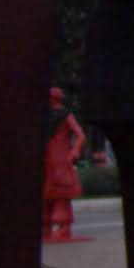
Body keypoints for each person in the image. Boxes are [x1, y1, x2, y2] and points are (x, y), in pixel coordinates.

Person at [43, 87, 86, 241]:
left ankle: (63, 227)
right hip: (48, 159)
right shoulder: (44, 116)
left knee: (61, 193)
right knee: (46, 194)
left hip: (60, 158)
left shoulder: (64, 115)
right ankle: (46, 227)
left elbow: (80, 134)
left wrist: (74, 151)